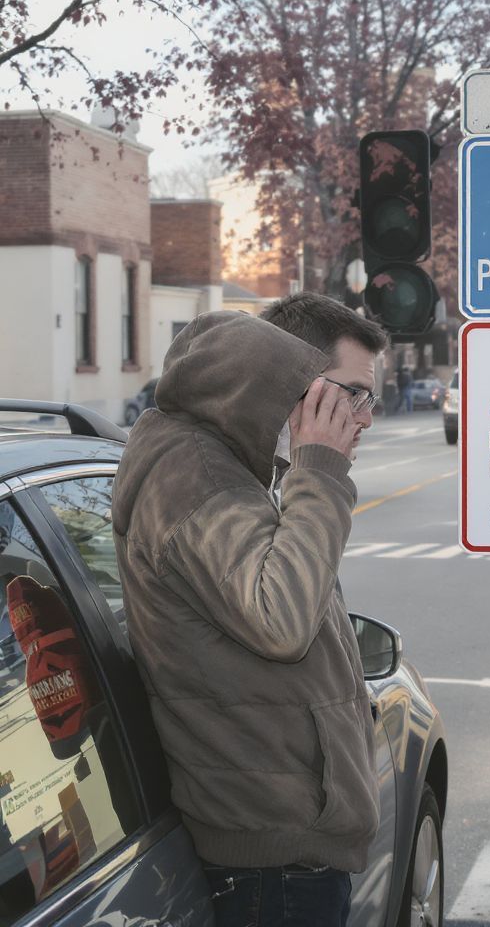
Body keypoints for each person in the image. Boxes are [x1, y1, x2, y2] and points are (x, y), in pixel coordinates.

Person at [111, 293, 389, 927]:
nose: (364, 418)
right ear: (292, 382)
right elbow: (282, 621)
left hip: (287, 850)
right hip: (273, 865)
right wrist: (319, 473)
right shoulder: (192, 475)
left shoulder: (227, 468)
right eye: (353, 394)